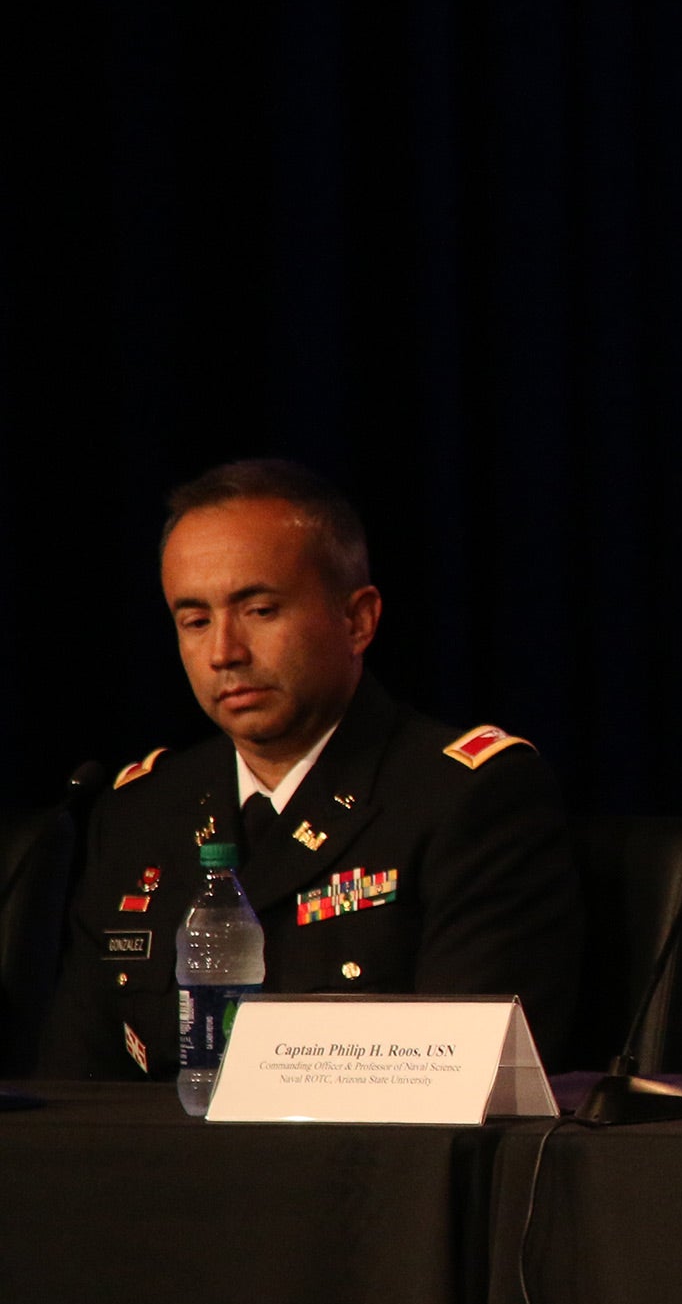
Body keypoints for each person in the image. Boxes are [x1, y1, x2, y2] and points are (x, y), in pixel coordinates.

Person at [42, 459, 583, 1076]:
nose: (224, 653)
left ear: (358, 620)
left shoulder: (464, 797)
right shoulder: (140, 813)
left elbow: (465, 1086)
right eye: (195, 621)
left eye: (261, 611)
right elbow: (72, 1088)